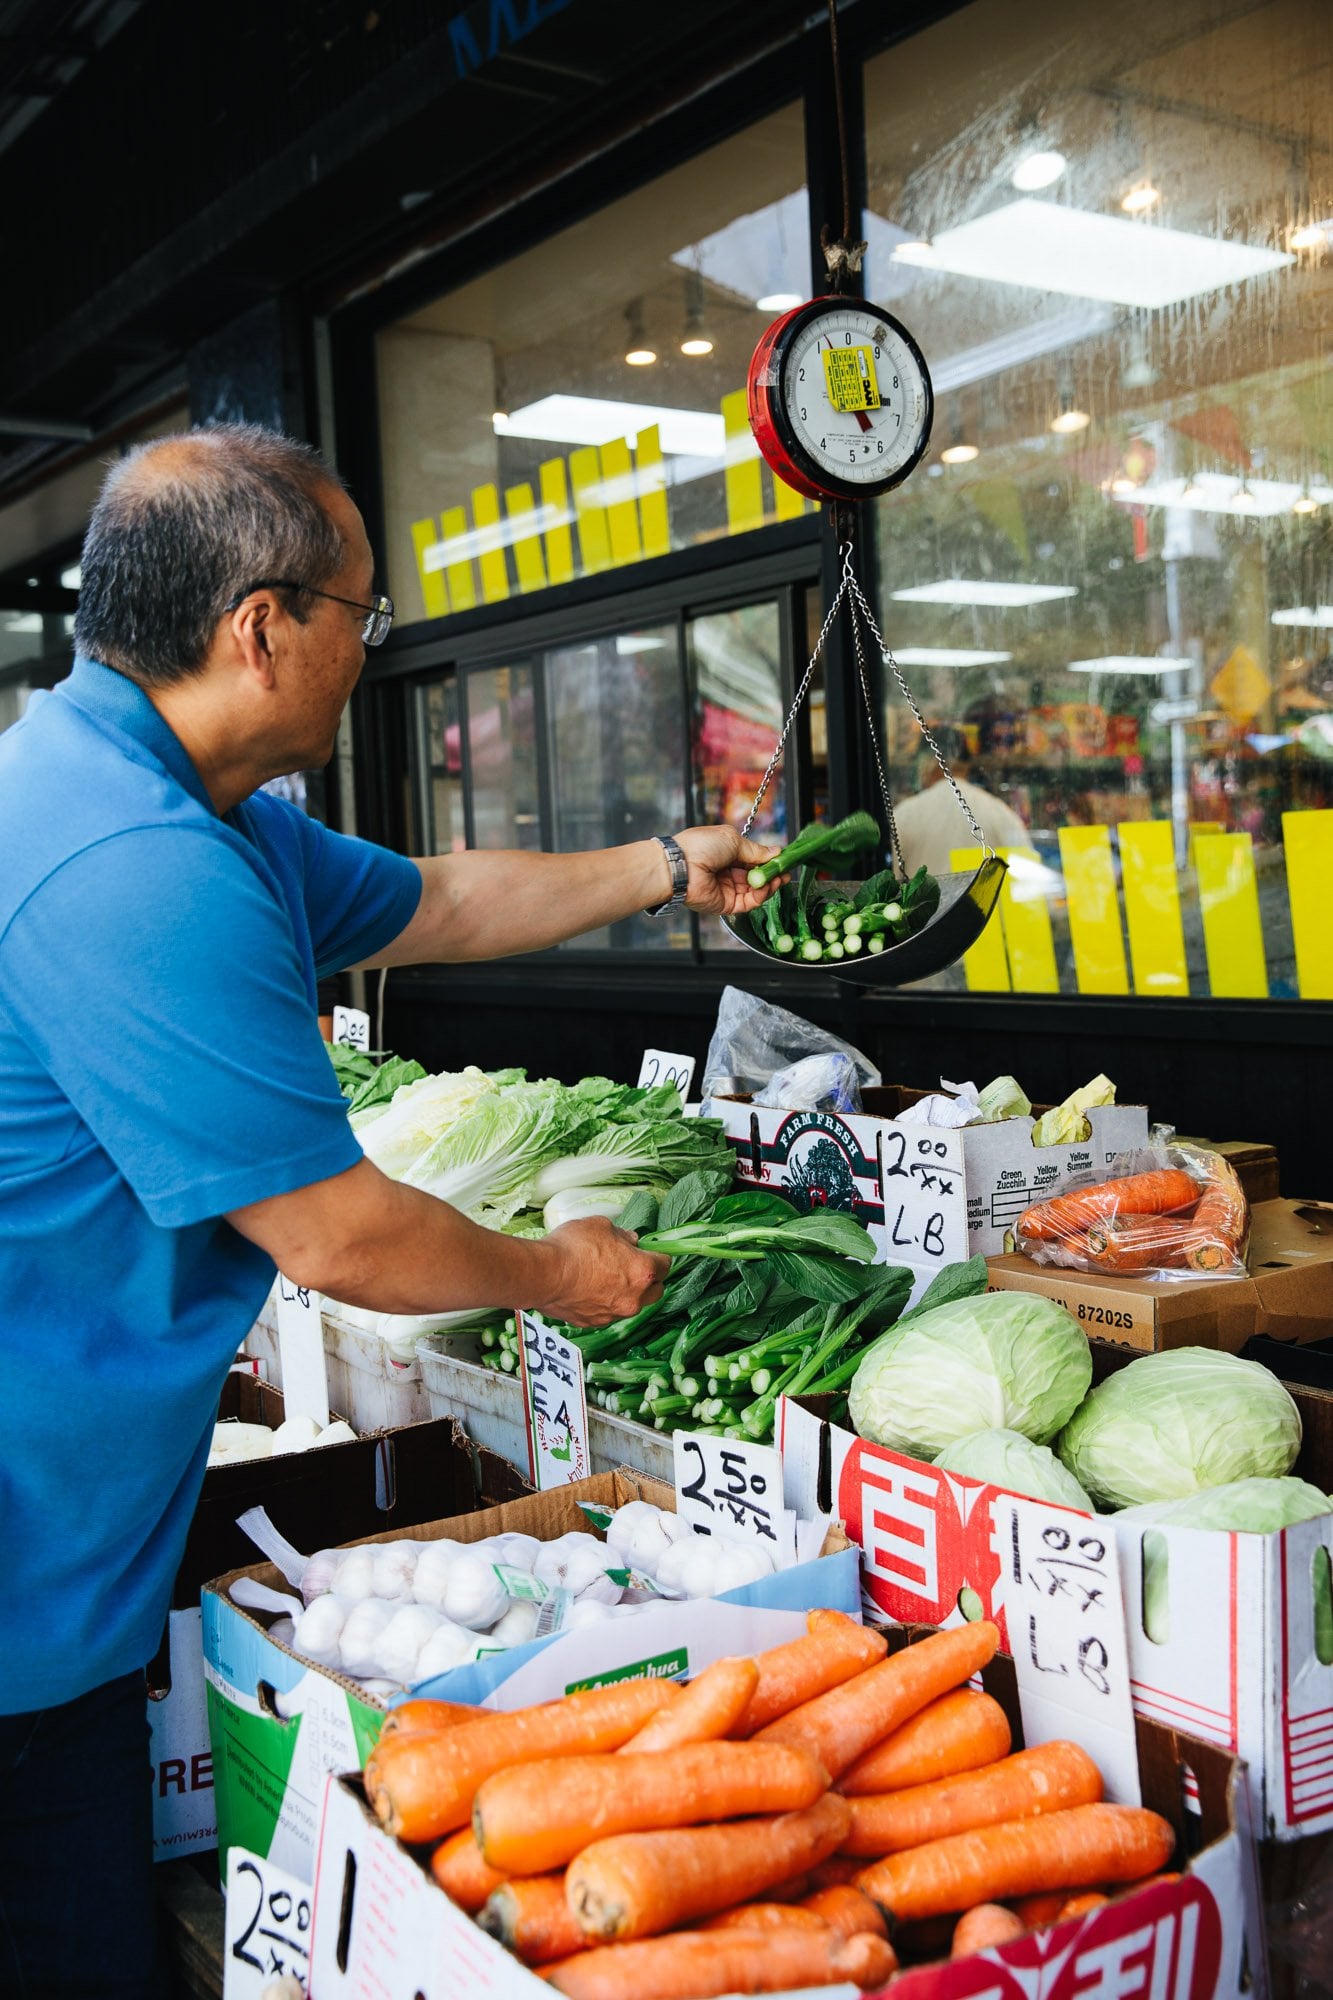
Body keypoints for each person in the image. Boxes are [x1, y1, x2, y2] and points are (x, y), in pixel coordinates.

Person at [0, 424, 779, 1998]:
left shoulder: (176, 795)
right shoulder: (131, 865)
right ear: (263, 626)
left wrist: (657, 868)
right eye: (367, 612)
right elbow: (340, 1238)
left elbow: (434, 900)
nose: (376, 648)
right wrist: (556, 1271)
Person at [889, 725, 1030, 877]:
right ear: (967, 765)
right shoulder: (1000, 813)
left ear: (927, 763)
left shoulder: (906, 815)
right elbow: (1027, 879)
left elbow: (887, 885)